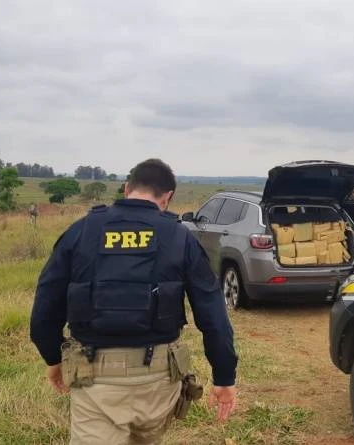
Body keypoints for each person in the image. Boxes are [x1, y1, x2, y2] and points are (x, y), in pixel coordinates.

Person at [30, 159, 238, 444]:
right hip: (159, 382)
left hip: (95, 380)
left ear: (127, 189)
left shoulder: (81, 231)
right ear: (167, 197)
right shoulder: (180, 237)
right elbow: (213, 316)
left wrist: (53, 358)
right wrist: (224, 377)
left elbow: (44, 310)